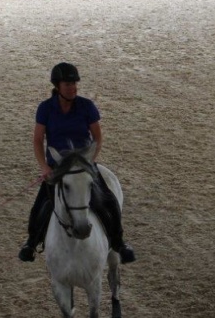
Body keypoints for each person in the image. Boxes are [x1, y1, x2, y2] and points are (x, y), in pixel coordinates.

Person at [18, 62, 136, 264]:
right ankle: (31, 242)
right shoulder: (45, 108)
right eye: (68, 84)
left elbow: (97, 138)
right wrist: (44, 167)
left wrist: (89, 160)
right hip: (58, 166)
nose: (72, 88)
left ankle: (119, 241)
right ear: (57, 86)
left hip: (83, 164)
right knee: (41, 205)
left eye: (74, 84)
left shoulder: (86, 106)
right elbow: (38, 140)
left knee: (107, 200)